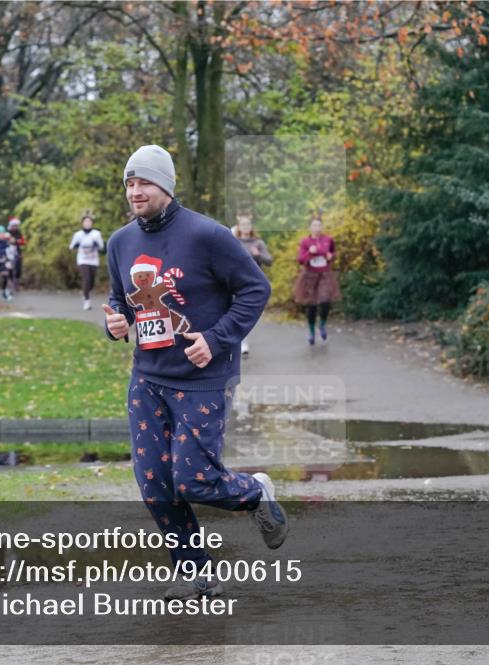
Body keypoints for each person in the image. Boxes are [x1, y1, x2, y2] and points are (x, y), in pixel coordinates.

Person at [103, 144, 287, 601]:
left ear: (165, 185)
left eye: (143, 182)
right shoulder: (120, 242)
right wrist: (113, 320)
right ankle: (199, 574)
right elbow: (118, 299)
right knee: (155, 486)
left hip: (203, 377)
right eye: (129, 183)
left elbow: (255, 289)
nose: (135, 191)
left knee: (193, 478)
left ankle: (254, 491)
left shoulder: (207, 235)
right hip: (147, 377)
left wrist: (217, 338)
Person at [293, 211, 340, 345]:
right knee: (311, 306)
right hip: (310, 276)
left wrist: (331, 256)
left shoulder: (328, 240)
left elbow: (333, 252)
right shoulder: (305, 242)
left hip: (325, 275)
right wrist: (309, 252)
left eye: (319, 225)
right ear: (310, 227)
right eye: (314, 226)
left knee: (325, 301)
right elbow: (300, 260)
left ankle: (322, 324)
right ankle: (312, 332)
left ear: (322, 227)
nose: (317, 228)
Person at [232, 211, 273, 356]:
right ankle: (243, 342)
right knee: (239, 312)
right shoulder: (234, 241)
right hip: (236, 283)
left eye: (247, 224)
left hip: (254, 283)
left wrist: (258, 255)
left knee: (251, 314)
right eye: (242, 224)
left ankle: (242, 338)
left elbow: (269, 261)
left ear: (251, 226)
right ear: (238, 226)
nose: (245, 227)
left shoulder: (258, 242)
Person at [69, 212, 105, 310]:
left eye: (89, 221)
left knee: (91, 282)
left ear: (92, 223)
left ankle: (86, 292)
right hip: (82, 259)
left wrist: (96, 244)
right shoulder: (78, 235)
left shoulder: (96, 234)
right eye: (85, 221)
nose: (87, 223)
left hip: (93, 260)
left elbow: (102, 247)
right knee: (86, 279)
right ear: (82, 223)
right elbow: (71, 246)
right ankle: (87, 301)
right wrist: (77, 245)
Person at [7, 217, 26, 293]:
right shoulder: (7, 233)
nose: (14, 227)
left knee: (18, 268)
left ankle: (17, 282)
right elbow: (4, 240)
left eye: (16, 225)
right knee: (10, 268)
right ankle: (10, 282)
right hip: (9, 253)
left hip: (17, 252)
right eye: (13, 225)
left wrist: (18, 241)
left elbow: (24, 242)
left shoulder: (19, 233)